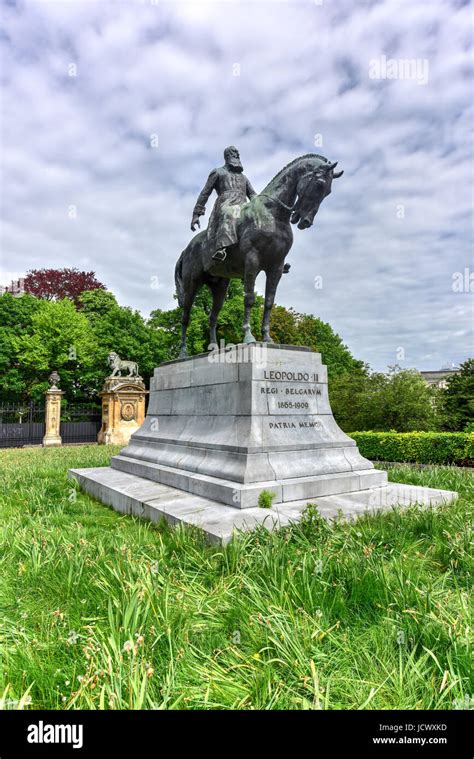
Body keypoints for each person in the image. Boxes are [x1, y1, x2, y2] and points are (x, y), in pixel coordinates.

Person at [191, 146, 257, 261]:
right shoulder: (218, 172)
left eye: (238, 154)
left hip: (244, 206)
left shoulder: (244, 178)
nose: (237, 156)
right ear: (227, 156)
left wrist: (263, 204)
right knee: (231, 214)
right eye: (234, 154)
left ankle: (272, 256)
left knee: (260, 221)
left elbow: (252, 194)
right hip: (227, 205)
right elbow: (205, 193)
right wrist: (196, 214)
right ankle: (222, 249)